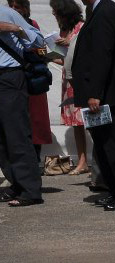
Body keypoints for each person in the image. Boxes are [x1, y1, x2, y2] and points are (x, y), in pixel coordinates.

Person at [72, 0, 115, 211]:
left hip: (106, 96)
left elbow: (102, 54)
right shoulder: (105, 10)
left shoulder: (105, 11)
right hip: (108, 93)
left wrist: (95, 92)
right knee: (104, 146)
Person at [0, 3, 44, 206]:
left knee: (16, 133)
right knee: (2, 138)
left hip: (9, 76)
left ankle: (30, 189)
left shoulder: (7, 13)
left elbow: (38, 40)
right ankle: (16, 183)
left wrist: (16, 28)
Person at [8, 0, 50, 163]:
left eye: (17, 6)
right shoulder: (4, 25)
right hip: (12, 77)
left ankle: (35, 158)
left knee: (35, 120)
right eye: (10, 6)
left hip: (32, 77)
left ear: (25, 9)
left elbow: (40, 49)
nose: (13, 9)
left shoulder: (32, 24)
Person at [49, 0, 87, 175]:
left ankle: (98, 160)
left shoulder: (82, 27)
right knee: (77, 124)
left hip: (82, 80)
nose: (53, 15)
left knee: (91, 120)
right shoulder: (63, 31)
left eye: (56, 11)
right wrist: (49, 56)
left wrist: (70, 44)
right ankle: (82, 160)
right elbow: (64, 60)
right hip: (69, 80)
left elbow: (88, 53)